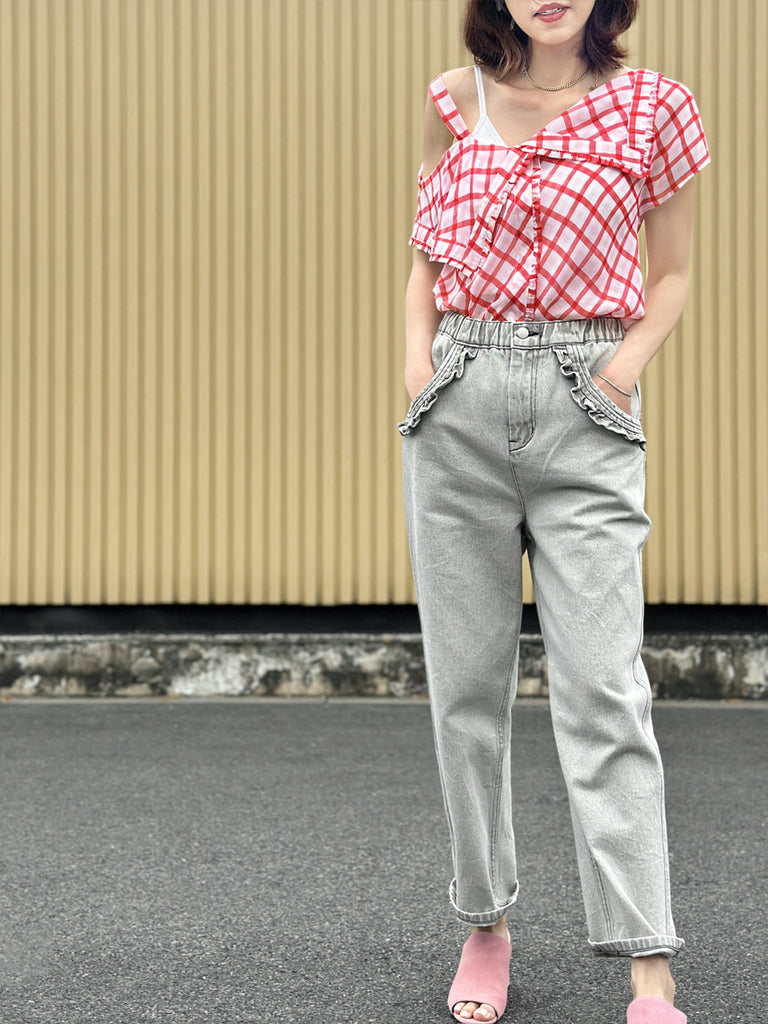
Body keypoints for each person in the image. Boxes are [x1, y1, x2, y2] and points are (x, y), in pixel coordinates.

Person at [399, 2, 710, 1022]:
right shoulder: (455, 99)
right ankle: (485, 924)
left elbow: (673, 273)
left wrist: (619, 371)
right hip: (461, 400)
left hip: (586, 403)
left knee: (605, 689)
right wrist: (419, 368)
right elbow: (426, 255)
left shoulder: (654, 107)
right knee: (466, 689)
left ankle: (650, 971)